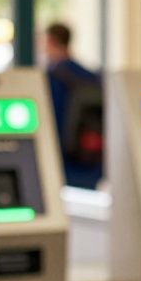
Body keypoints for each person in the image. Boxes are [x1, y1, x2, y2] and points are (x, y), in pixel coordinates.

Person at [43, 23, 104, 189]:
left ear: (50, 41)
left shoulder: (50, 78)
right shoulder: (91, 76)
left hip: (64, 161)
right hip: (92, 160)